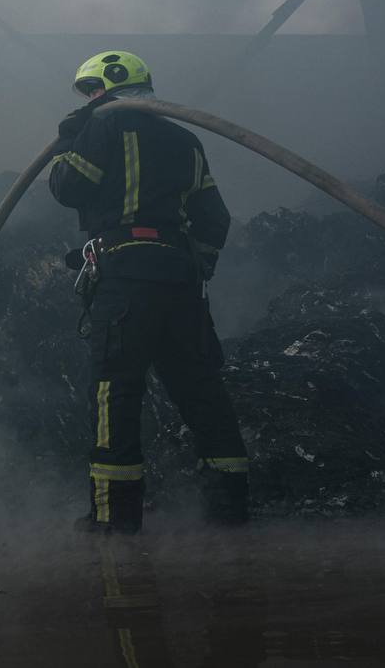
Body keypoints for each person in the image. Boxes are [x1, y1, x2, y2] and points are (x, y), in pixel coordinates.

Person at [48, 50, 248, 534]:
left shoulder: (103, 124)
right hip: (182, 282)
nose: (91, 98)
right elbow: (214, 219)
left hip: (124, 282)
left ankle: (114, 515)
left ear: (109, 85)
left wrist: (69, 138)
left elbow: (69, 186)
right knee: (202, 390)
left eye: (92, 89)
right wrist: (191, 266)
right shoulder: (185, 137)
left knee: (116, 392)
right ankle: (230, 509)